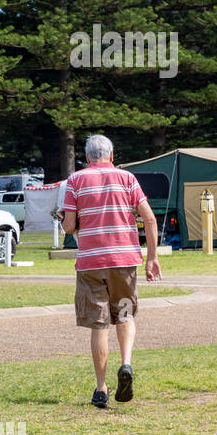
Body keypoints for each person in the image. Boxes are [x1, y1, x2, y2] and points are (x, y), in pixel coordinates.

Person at [61, 134, 162, 409]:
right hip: (125, 260)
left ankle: (101, 388)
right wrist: (151, 258)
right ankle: (126, 363)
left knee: (99, 324)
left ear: (86, 158)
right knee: (126, 313)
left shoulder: (75, 181)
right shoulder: (128, 179)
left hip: (92, 263)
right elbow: (150, 219)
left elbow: (69, 227)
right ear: (112, 155)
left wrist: (64, 220)